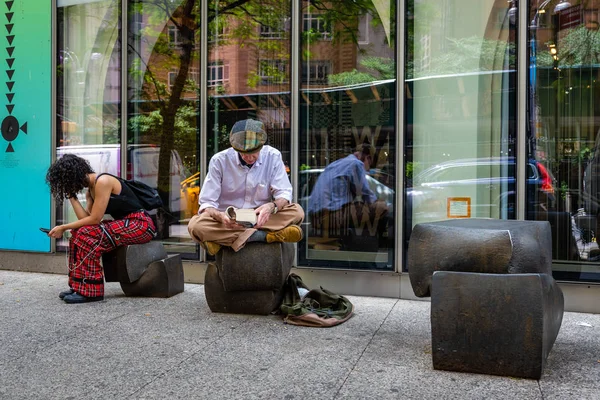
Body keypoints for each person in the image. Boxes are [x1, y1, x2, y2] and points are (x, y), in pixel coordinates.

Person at [45, 154, 156, 304]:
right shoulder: (91, 189)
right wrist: (72, 197)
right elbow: (87, 220)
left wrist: (63, 227)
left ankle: (92, 291)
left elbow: (95, 219)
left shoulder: (102, 181)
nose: (67, 184)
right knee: (78, 233)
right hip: (126, 224)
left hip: (140, 224)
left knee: (84, 234)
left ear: (73, 175)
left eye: (67, 181)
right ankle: (79, 285)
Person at [187, 119, 304, 255]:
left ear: (262, 146)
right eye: (243, 153)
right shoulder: (219, 160)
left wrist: (271, 207)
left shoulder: (273, 156)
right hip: (229, 219)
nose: (249, 158)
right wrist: (221, 218)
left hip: (261, 218)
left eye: (254, 152)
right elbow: (207, 202)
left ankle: (222, 240)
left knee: (297, 212)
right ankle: (268, 236)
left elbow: (284, 193)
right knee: (195, 226)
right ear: (235, 149)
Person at [307, 143, 389, 248]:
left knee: (360, 207)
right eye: (370, 165)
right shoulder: (356, 164)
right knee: (381, 207)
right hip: (328, 217)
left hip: (315, 217)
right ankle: (379, 246)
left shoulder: (337, 163)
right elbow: (367, 195)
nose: (367, 170)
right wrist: (380, 201)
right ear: (368, 158)